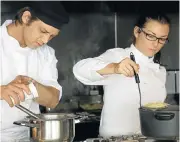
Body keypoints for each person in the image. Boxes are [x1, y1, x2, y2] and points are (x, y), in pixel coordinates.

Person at [73, 12, 170, 138]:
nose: (156, 43)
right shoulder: (117, 56)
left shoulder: (160, 72)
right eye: (151, 36)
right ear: (137, 31)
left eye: (162, 39)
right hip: (114, 140)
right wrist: (115, 67)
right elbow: (79, 69)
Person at [0, 2, 69, 141]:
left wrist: (33, 86)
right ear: (26, 17)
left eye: (52, 36)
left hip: (28, 136)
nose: (45, 40)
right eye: (43, 32)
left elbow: (53, 100)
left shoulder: (46, 54)